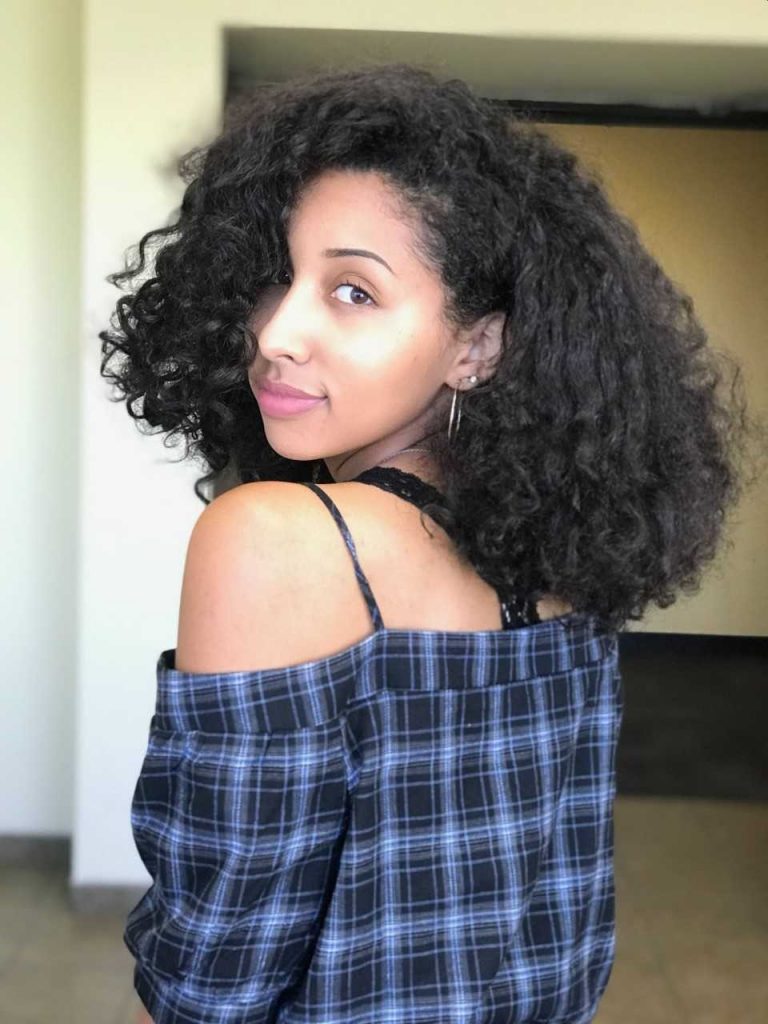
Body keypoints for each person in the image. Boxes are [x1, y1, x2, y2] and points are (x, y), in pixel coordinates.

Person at [100, 63, 747, 1024]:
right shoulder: (565, 558)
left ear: (476, 347)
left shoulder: (277, 537)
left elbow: (212, 971)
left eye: (353, 292)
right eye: (277, 276)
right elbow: (565, 927)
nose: (278, 331)